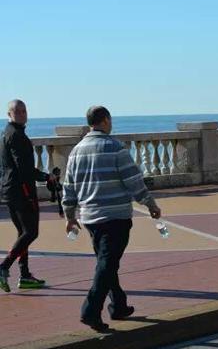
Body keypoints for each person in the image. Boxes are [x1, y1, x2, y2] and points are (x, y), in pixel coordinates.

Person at [62, 106, 161, 331]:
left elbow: (68, 188)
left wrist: (70, 216)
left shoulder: (76, 151)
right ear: (105, 120)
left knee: (107, 262)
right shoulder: (115, 147)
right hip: (115, 216)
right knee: (107, 264)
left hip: (90, 218)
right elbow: (134, 181)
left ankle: (119, 305)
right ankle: (91, 310)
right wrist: (151, 204)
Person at [0, 100, 53, 292]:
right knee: (31, 232)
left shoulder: (7, 133)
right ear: (9, 114)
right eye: (18, 111)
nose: (22, 114)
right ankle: (4, 267)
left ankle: (24, 275)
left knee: (23, 233)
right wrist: (46, 177)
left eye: (24, 111)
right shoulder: (17, 136)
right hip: (22, 191)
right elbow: (25, 169)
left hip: (9, 190)